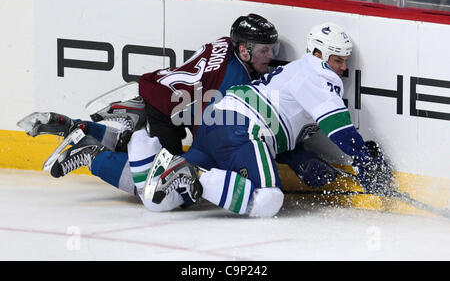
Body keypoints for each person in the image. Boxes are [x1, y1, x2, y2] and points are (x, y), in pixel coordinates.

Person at [18, 14, 280, 210]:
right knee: (161, 188)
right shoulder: (236, 80)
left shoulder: (224, 44)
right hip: (164, 109)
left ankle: (82, 128)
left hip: (163, 94)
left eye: (273, 48)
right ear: (244, 50)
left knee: (168, 174)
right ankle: (93, 155)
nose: (271, 55)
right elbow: (210, 127)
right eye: (264, 50)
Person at [144, 22, 393, 218]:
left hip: (215, 125)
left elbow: (279, 120)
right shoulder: (316, 73)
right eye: (338, 60)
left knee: (162, 199)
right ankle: (196, 175)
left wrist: (299, 158)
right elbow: (337, 126)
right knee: (269, 199)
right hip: (243, 129)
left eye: (345, 61)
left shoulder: (295, 71)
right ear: (318, 53)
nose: (343, 68)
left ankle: (182, 168)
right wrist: (365, 160)